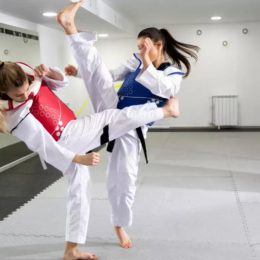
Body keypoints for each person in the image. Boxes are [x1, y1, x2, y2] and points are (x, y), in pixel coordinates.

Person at [0, 58, 178, 260]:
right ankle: (165, 111)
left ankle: (71, 249)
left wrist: (50, 72)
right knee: (112, 116)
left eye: (24, 89)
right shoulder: (15, 116)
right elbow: (45, 147)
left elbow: (61, 83)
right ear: (5, 93)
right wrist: (78, 158)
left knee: (80, 190)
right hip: (67, 139)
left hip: (70, 133)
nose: (24, 95)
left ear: (25, 78)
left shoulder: (32, 77)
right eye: (17, 95)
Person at [57, 0, 198, 250]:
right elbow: (109, 75)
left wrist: (146, 63)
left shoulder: (172, 73)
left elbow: (164, 89)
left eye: (145, 46)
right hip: (113, 109)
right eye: (138, 46)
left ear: (158, 45)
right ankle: (71, 28)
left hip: (132, 129)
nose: (141, 50)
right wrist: (80, 73)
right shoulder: (135, 60)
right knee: (97, 72)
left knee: (122, 181)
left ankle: (119, 225)